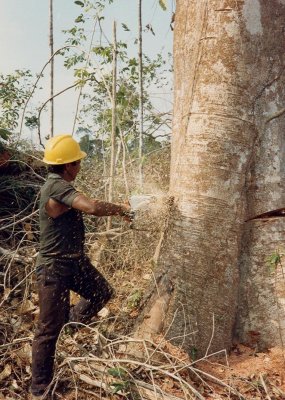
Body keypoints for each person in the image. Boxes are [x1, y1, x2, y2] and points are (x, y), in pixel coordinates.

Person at [31, 134, 130, 399]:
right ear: (68, 165)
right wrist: (121, 209)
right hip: (53, 268)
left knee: (101, 293)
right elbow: (92, 207)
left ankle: (72, 325)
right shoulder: (55, 186)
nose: (79, 167)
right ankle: (39, 389)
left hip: (74, 263)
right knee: (47, 330)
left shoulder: (60, 185)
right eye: (77, 163)